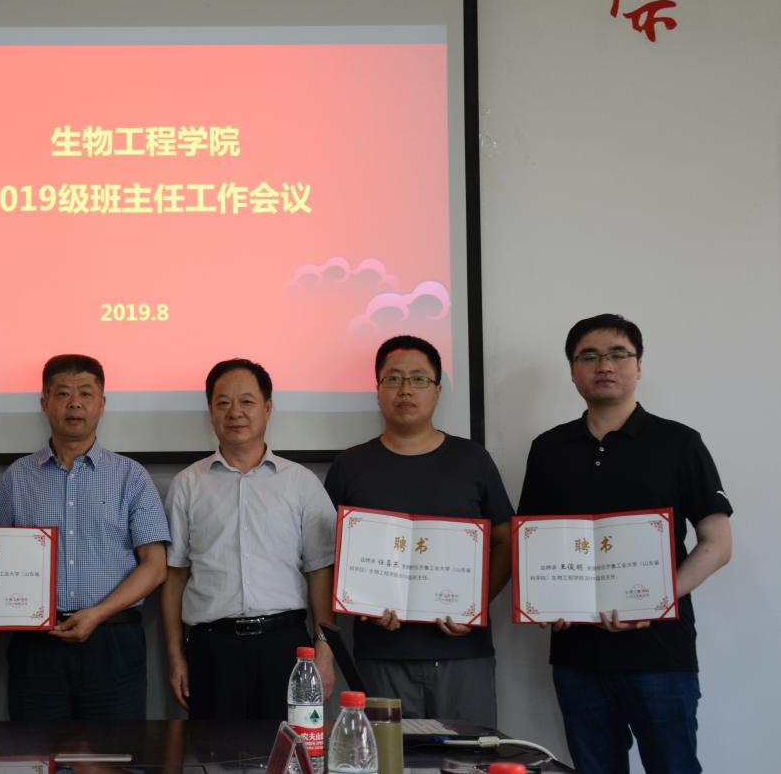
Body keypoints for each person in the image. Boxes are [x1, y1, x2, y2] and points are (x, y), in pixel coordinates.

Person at [517, 314, 732, 774]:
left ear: (638, 365)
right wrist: (544, 601)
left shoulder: (679, 442)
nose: (604, 365)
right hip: (578, 657)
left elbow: (717, 543)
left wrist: (655, 600)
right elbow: (533, 544)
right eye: (589, 356)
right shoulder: (548, 448)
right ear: (572, 370)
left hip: (660, 654)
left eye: (618, 354)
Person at [324, 336, 513, 728]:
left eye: (419, 379)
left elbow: (505, 542)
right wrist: (362, 602)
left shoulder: (472, 460)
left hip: (464, 653)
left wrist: (475, 605)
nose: (406, 389)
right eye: (393, 379)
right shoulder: (350, 466)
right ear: (378, 389)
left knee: (468, 757)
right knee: (388, 757)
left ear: (437, 391)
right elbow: (329, 557)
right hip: (381, 655)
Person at [0, 354, 170, 720]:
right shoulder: (17, 477)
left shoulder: (131, 476)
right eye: (63, 394)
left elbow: (155, 566)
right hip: (37, 644)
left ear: (101, 404)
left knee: (116, 749)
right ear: (45, 403)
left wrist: (98, 614)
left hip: (113, 641)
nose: (74, 403)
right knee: (35, 748)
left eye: (85, 393)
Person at [162, 358, 337, 718]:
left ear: (268, 408)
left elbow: (321, 572)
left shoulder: (301, 483)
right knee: (212, 748)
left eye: (246, 401)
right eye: (223, 403)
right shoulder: (187, 484)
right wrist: (176, 657)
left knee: (287, 747)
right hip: (212, 649)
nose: (235, 413)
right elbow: (175, 576)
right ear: (211, 411)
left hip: (285, 647)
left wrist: (325, 649)